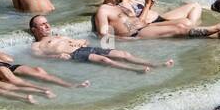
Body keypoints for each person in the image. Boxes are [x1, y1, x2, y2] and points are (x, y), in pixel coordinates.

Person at [27, 15, 164, 73]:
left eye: (47, 23)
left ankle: (153, 64)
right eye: (42, 24)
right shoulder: (37, 45)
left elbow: (76, 41)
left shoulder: (59, 35)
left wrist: (81, 41)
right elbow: (38, 57)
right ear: (34, 30)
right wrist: (57, 57)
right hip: (75, 54)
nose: (47, 25)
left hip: (84, 48)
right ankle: (135, 70)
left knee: (123, 53)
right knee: (104, 60)